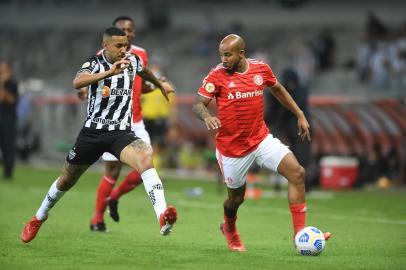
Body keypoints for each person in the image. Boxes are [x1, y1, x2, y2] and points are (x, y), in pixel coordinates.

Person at [21, 27, 177, 243]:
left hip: (121, 133)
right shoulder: (94, 63)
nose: (124, 50)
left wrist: (160, 85)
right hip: (92, 133)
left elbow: (145, 71)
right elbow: (78, 82)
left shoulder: (133, 61)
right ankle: (38, 217)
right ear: (106, 46)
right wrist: (109, 73)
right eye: (119, 46)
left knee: (145, 160)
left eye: (126, 45)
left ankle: (162, 217)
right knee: (66, 180)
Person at [192, 34, 331, 252]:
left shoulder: (260, 69)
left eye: (227, 55)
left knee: (297, 173)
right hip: (232, 150)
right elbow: (198, 104)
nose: (223, 59)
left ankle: (300, 237)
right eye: (221, 55)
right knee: (236, 199)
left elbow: (278, 89)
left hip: (260, 139)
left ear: (241, 54)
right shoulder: (216, 75)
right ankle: (229, 228)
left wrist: (300, 114)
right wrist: (207, 116)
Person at [85, 16, 172, 232]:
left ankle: (114, 197)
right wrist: (83, 91)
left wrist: (156, 86)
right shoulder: (102, 57)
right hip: (113, 122)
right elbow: (92, 84)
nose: (127, 33)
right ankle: (97, 219)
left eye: (130, 29)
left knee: (147, 166)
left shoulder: (140, 54)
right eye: (123, 29)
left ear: (133, 32)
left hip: (137, 120)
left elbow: (138, 84)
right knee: (112, 172)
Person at [0, 62, 19, 180]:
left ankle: (8, 173)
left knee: (8, 146)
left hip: (8, 119)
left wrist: (2, 84)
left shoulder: (13, 84)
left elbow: (10, 100)